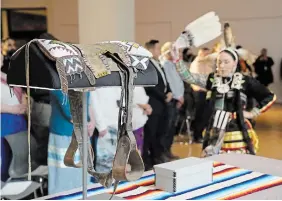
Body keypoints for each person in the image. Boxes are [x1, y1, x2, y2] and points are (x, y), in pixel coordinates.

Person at [175, 47, 276, 156]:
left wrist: (252, 113)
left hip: (237, 129)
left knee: (237, 161)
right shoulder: (213, 79)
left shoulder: (245, 81)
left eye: (226, 62)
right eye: (219, 62)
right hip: (215, 128)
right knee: (213, 160)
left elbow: (269, 97)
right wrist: (177, 60)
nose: (222, 66)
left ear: (234, 63)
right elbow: (189, 77)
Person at [48, 90, 95, 194]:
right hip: (64, 134)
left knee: (82, 175)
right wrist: (87, 122)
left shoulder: (82, 77)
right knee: (64, 177)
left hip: (82, 131)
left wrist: (92, 121)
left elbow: (88, 103)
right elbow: (70, 111)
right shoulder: (58, 79)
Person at [143, 39, 173, 170]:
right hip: (154, 102)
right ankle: (149, 159)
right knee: (151, 132)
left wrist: (170, 91)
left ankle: (159, 155)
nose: (159, 51)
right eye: (157, 49)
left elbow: (164, 80)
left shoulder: (158, 63)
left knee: (161, 131)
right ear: (150, 50)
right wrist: (163, 96)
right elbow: (149, 85)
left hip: (163, 103)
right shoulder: (146, 64)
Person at [160, 42, 184, 159]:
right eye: (175, 51)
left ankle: (168, 151)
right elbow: (170, 83)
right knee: (166, 128)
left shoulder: (173, 64)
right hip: (171, 99)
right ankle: (163, 152)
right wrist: (178, 96)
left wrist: (181, 96)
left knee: (171, 128)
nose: (178, 53)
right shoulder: (165, 64)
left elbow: (178, 81)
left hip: (176, 99)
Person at [189, 47, 213, 143]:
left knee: (207, 115)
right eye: (206, 55)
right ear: (201, 54)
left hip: (207, 92)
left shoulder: (207, 64)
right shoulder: (196, 64)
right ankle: (197, 135)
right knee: (200, 115)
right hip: (199, 92)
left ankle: (202, 133)